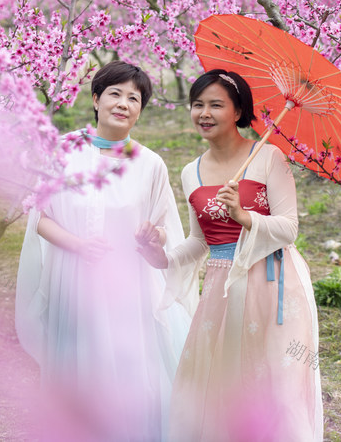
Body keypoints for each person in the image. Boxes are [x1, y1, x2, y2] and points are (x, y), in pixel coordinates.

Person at [137, 69, 323, 441]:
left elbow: (289, 227)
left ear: (238, 112)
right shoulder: (191, 171)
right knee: (220, 381)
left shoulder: (268, 156)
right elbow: (199, 242)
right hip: (222, 285)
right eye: (198, 105)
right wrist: (162, 258)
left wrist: (244, 217)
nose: (204, 113)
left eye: (215, 105)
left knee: (277, 381)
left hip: (274, 283)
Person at [15, 61, 192, 441]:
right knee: (81, 369)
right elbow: (40, 218)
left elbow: (163, 228)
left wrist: (154, 235)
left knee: (131, 373)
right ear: (96, 99)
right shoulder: (64, 150)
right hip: (74, 279)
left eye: (134, 98)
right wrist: (78, 245)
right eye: (115, 93)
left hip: (129, 286)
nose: (124, 103)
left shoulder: (150, 165)